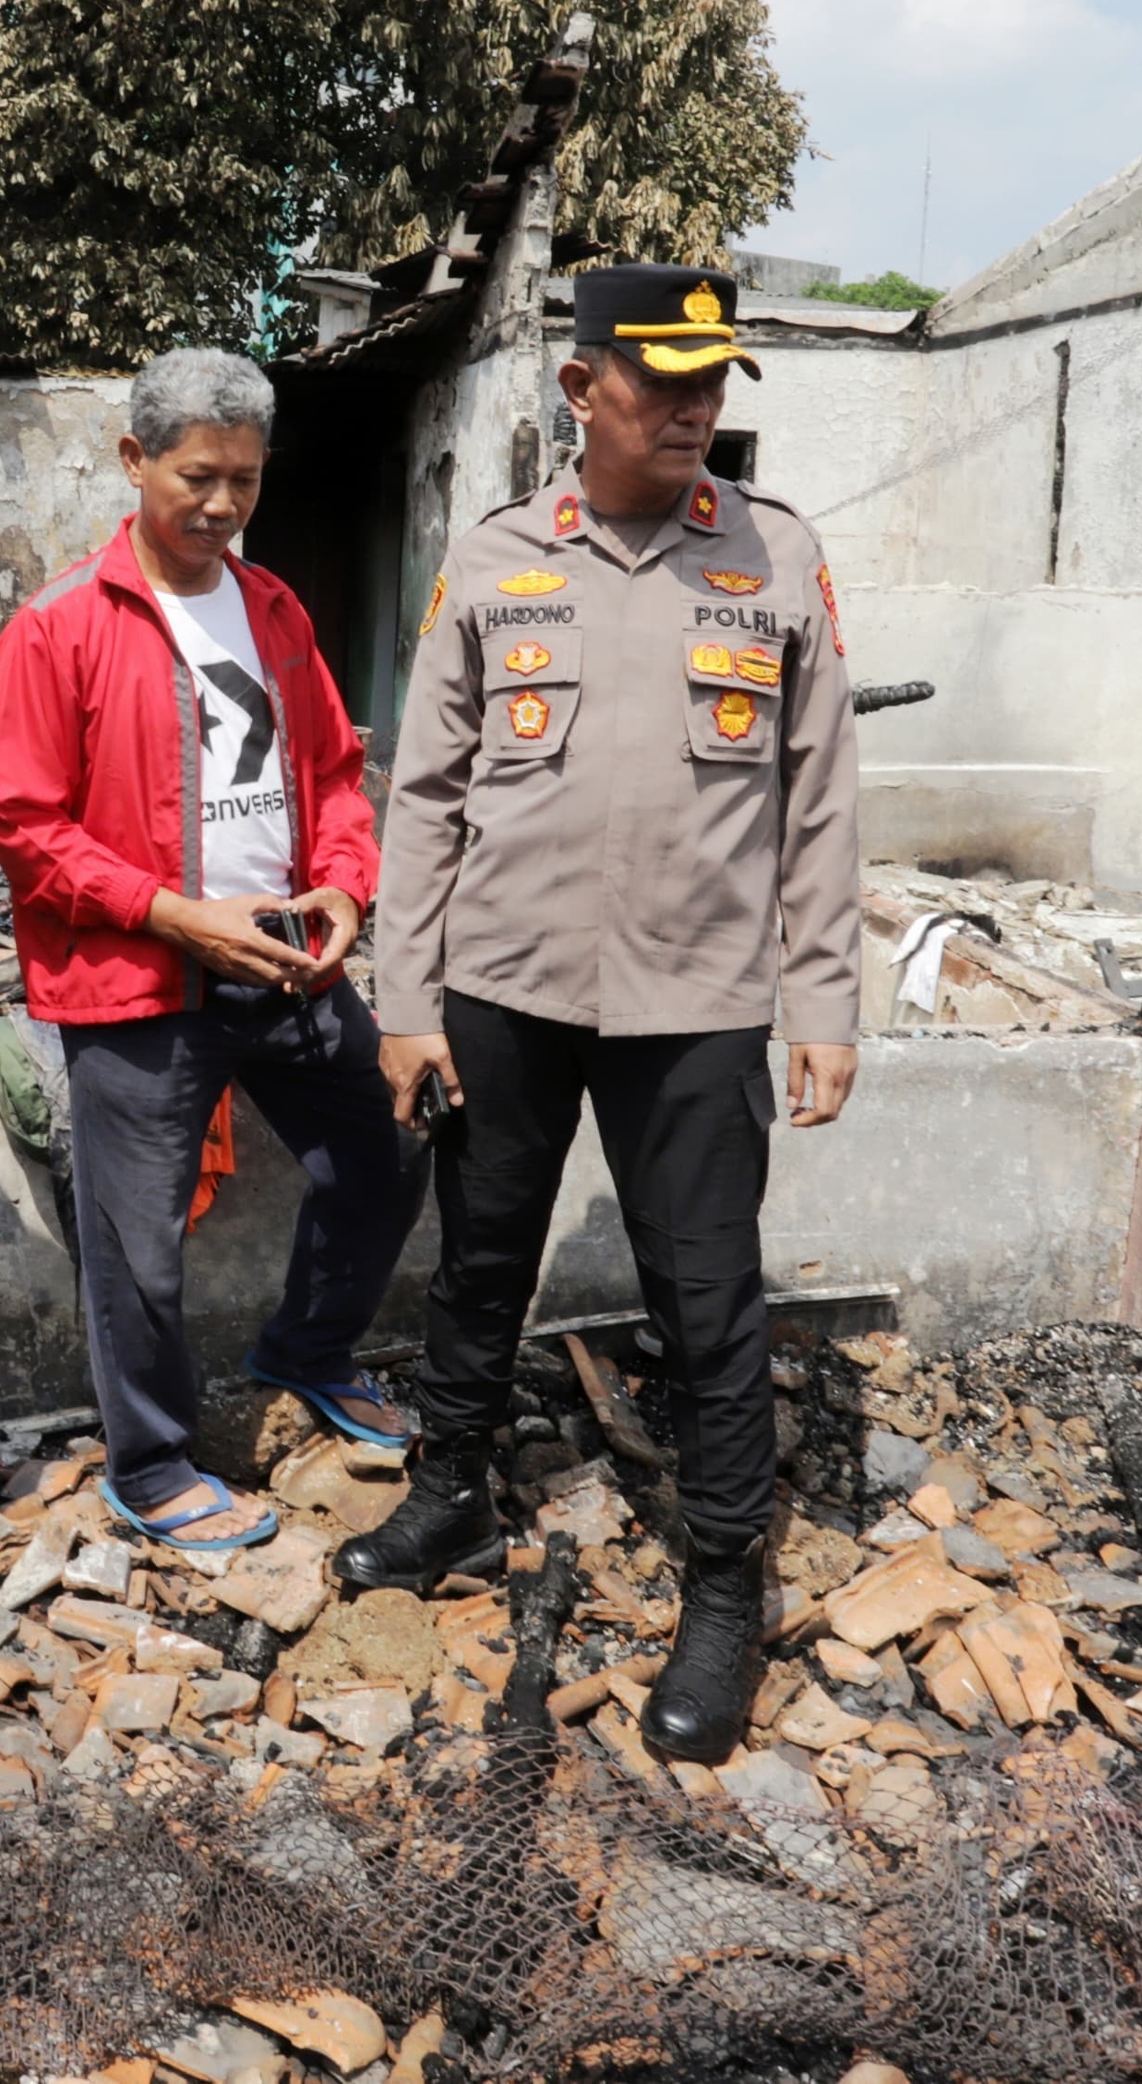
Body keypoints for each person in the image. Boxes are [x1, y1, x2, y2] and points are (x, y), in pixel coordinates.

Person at [337, 265, 864, 1766]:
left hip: (698, 1006)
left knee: (708, 1298)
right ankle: (447, 1491)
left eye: (715, 381)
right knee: (482, 1255)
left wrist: (822, 996)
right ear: (583, 389)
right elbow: (425, 794)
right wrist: (407, 998)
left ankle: (721, 1584)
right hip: (505, 990)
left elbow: (820, 804)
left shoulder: (774, 560)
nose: (697, 406)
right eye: (665, 378)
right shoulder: (501, 559)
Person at [0, 349, 407, 1551]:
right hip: (140, 980)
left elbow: (329, 772)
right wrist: (174, 913)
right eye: (198, 476)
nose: (223, 505)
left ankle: (308, 1350)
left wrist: (341, 888)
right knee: (138, 1242)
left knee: (382, 1156)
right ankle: (153, 1463)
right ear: (135, 461)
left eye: (247, 481)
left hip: (286, 957)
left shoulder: (273, 609)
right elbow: (25, 826)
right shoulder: (59, 625)